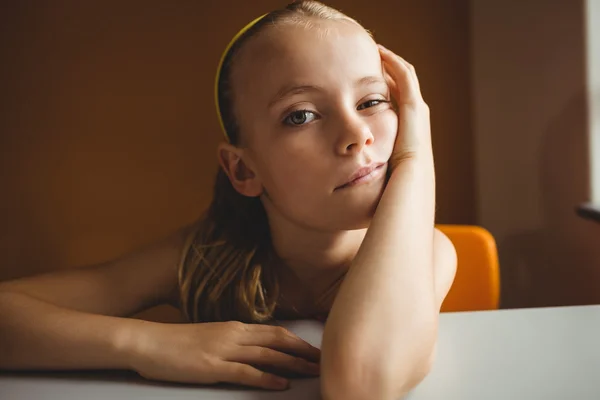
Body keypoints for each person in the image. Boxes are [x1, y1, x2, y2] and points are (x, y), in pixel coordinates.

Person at [0, 1, 457, 398]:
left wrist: (414, 160)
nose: (358, 135)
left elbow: (359, 381)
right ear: (243, 169)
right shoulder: (208, 257)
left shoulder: (428, 253)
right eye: (301, 115)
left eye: (373, 101)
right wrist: (150, 345)